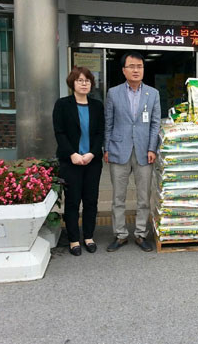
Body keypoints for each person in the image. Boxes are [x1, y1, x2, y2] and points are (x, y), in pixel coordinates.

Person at [104, 51, 161, 252]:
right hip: (118, 149)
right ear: (123, 70)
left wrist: (152, 148)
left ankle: (140, 234)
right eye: (131, 66)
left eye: (139, 66)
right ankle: (120, 235)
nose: (136, 70)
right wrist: (106, 148)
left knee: (144, 196)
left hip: (144, 151)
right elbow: (108, 123)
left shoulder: (153, 94)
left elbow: (155, 124)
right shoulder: (113, 93)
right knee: (118, 197)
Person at [53, 66, 105, 256]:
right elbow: (59, 132)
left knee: (91, 200)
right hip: (70, 161)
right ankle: (74, 239)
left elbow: (100, 133)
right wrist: (72, 154)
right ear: (72, 83)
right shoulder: (62, 104)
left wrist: (92, 153)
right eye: (80, 80)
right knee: (73, 201)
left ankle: (89, 236)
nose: (84, 84)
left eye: (87, 80)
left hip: (92, 161)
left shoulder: (97, 106)